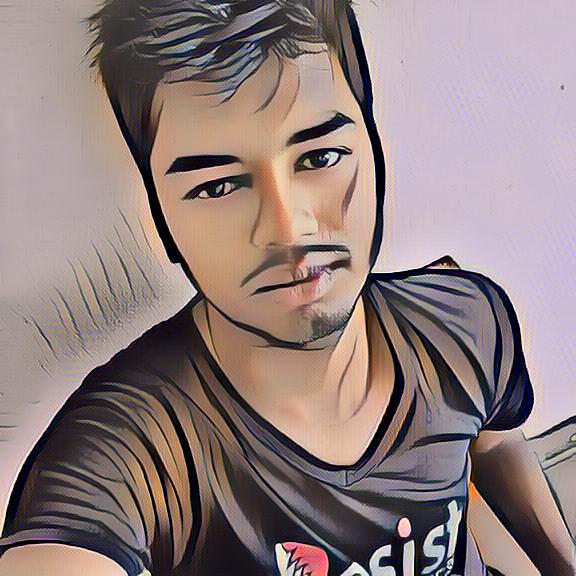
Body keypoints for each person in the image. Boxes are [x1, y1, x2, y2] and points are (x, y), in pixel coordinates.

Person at [0, 1, 574, 575]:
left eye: (319, 156)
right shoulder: (131, 449)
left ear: (375, 148)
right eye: (219, 186)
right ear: (161, 218)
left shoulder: (465, 319)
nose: (289, 229)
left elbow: (497, 444)